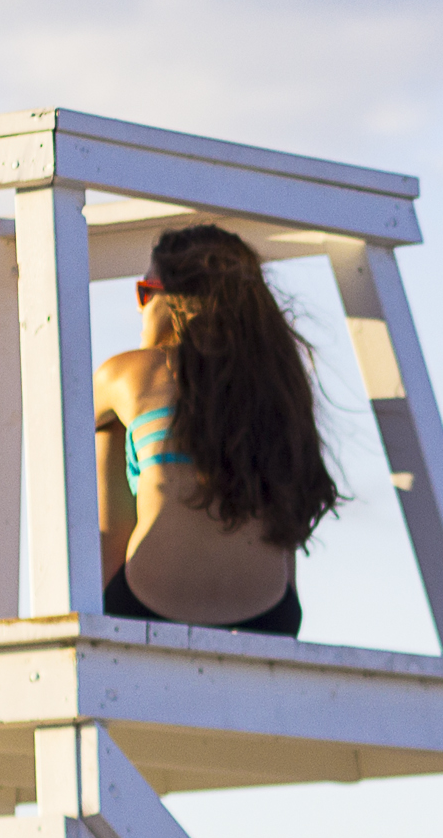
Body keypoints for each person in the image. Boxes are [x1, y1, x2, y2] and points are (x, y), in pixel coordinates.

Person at [92, 225, 342, 633]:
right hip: (272, 614)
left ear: (174, 297)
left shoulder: (131, 372)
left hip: (142, 606)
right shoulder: (281, 385)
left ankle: (98, 617)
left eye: (144, 292)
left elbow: (64, 423)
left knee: (108, 427)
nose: (140, 309)